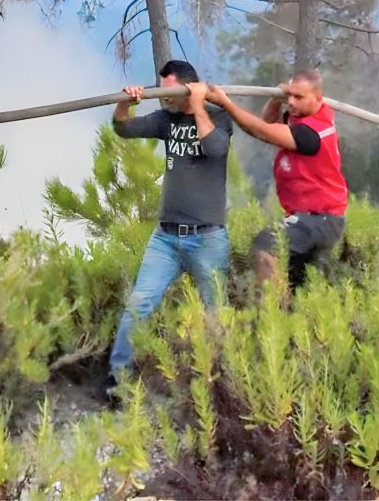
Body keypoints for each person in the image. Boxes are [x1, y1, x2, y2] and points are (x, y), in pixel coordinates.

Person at [105, 60, 233, 404]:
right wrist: (124, 102)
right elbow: (123, 129)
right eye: (162, 93)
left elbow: (216, 149)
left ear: (188, 87)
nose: (165, 100)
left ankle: (222, 389)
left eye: (171, 93)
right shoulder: (165, 120)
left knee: (215, 314)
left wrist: (198, 104)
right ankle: (118, 385)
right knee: (138, 305)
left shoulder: (218, 116)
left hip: (208, 238)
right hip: (165, 239)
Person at [206, 70, 348, 289]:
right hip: (317, 218)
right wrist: (275, 100)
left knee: (266, 245)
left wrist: (226, 103)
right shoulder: (305, 115)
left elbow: (261, 130)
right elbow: (269, 121)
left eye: (298, 97)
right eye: (289, 95)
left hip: (319, 220)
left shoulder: (312, 133)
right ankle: (293, 315)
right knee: (302, 284)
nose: (291, 102)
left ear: (318, 98)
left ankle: (271, 309)